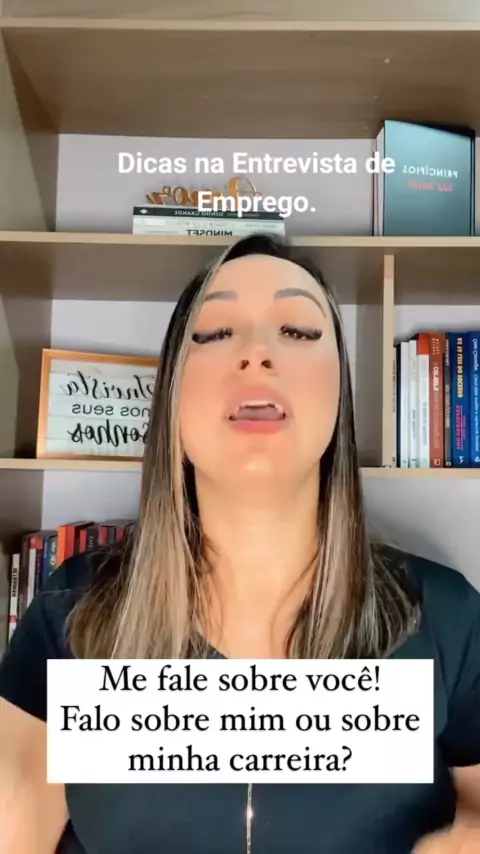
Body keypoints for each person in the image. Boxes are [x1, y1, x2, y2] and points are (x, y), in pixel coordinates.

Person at [0, 233, 479, 854]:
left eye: (298, 331)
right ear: (172, 395)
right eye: (214, 333)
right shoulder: (70, 610)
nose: (257, 353)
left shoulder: (448, 618)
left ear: (340, 392)